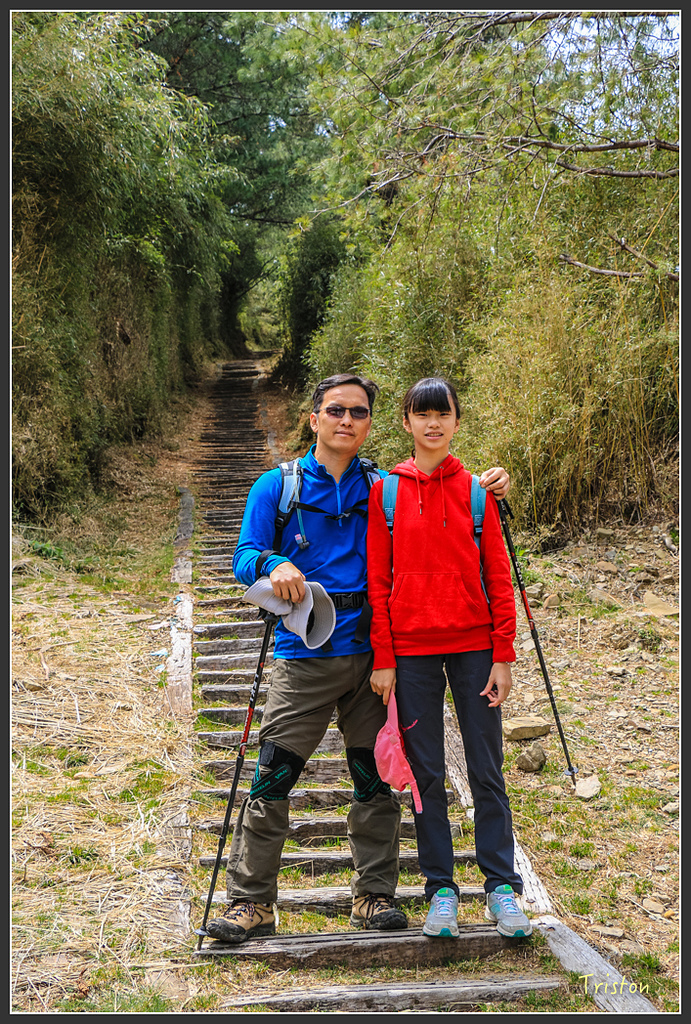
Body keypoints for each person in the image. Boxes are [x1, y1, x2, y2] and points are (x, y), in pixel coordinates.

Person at [205, 373, 511, 943]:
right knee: (274, 774)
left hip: (373, 657)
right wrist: (273, 564)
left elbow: (433, 491)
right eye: (336, 410)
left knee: (375, 781)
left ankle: (374, 895)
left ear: (372, 424)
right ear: (314, 417)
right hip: (304, 652)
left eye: (359, 413)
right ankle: (251, 903)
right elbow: (243, 554)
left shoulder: (380, 487)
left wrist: (487, 484)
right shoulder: (277, 486)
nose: (347, 421)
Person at [366, 376, 532, 940]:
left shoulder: (479, 493)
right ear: (407, 422)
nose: (433, 423)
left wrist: (503, 655)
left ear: (456, 422)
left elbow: (498, 578)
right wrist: (384, 657)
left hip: (474, 648)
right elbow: (378, 582)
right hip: (410, 653)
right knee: (426, 775)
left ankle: (501, 888)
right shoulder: (385, 492)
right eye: (422, 414)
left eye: (443, 414)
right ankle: (441, 889)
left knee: (487, 771)